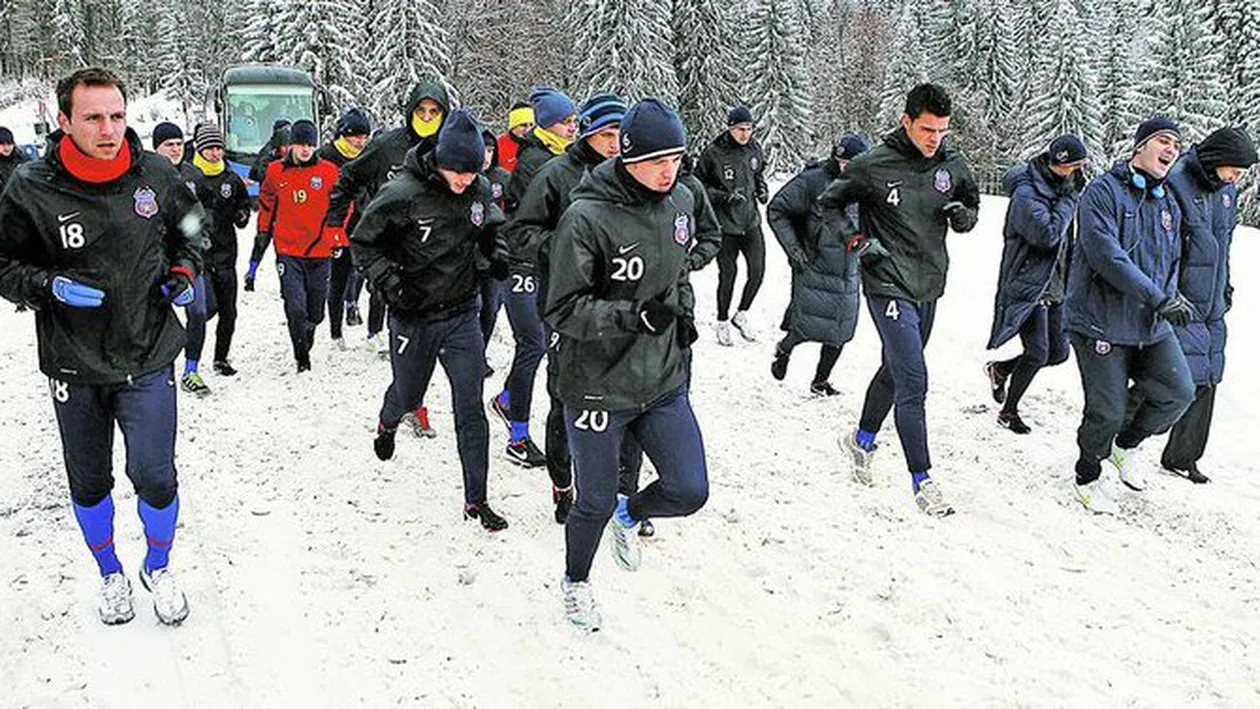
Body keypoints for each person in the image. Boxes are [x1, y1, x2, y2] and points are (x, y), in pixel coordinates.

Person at [0, 67, 204, 625]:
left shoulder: (157, 175)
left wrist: (184, 270)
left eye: (116, 115)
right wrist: (46, 287)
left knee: (157, 476)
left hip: (148, 352)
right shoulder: (30, 187)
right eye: (93, 117)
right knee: (90, 482)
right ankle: (110, 573)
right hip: (75, 362)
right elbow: (4, 264)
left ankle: (157, 566)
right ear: (64, 121)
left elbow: (192, 230)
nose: (109, 128)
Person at [544, 98, 708, 631]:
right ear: (629, 158)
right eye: (657, 160)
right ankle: (576, 582)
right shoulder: (585, 216)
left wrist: (681, 312)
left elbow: (677, 270)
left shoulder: (681, 199)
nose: (669, 171)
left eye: (677, 158)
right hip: (595, 384)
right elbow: (562, 309)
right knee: (590, 499)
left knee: (689, 490)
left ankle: (631, 512)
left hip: (661, 377)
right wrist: (636, 315)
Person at [819, 83, 980, 517]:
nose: (935, 139)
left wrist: (964, 218)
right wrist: (856, 242)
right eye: (927, 129)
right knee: (914, 378)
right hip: (886, 280)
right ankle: (922, 480)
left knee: (895, 368)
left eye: (943, 131)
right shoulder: (873, 165)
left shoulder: (952, 164)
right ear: (906, 121)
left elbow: (971, 204)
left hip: (928, 283)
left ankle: (861, 440)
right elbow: (828, 205)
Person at [351, 110, 511, 532]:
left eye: (471, 171)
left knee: (470, 408)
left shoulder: (478, 191)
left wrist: (497, 253)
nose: (463, 179)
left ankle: (476, 501)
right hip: (413, 317)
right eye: (457, 171)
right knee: (407, 396)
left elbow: (494, 228)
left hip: (462, 315)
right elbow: (363, 243)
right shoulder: (401, 193)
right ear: (439, 160)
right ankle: (388, 423)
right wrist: (389, 283)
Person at [502, 90, 627, 518]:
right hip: (566, 301)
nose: (614, 142)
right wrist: (567, 248)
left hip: (619, 303)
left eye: (620, 134)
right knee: (565, 396)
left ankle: (620, 492)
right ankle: (562, 483)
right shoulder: (556, 173)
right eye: (606, 133)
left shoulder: (634, 175)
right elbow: (521, 233)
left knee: (624, 398)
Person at [1063, 116, 1197, 514]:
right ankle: (1087, 474)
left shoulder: (1167, 201)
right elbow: (1107, 256)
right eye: (1162, 140)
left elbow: (1173, 259)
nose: (1171, 149)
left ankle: (1125, 446)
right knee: (1106, 410)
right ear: (1139, 146)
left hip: (1149, 323)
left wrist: (1171, 297)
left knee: (1178, 392)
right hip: (1099, 321)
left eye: (1176, 143)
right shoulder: (1102, 192)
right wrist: (1158, 297)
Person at [1137, 126, 1257, 484]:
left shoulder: (1226, 191)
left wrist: (1226, 284)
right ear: (1217, 160)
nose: (1237, 178)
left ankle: (1182, 456)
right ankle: (1114, 431)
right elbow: (1160, 245)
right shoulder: (1176, 182)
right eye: (1235, 169)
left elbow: (1224, 244)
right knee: (1170, 375)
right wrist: (1166, 293)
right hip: (1181, 298)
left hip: (1212, 299)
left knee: (1210, 375)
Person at [327, 80, 450, 368]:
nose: (427, 118)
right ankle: (399, 364)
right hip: (391, 240)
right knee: (397, 301)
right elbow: (347, 178)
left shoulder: (450, 147)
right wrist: (335, 221)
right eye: (421, 111)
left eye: (434, 112)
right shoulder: (387, 146)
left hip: (435, 242)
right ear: (410, 112)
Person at [490, 86, 578, 467]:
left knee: (541, 341)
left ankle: (507, 398)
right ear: (546, 126)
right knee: (533, 346)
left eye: (574, 121)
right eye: (565, 122)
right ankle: (518, 438)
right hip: (520, 266)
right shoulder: (535, 164)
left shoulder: (561, 158)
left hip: (546, 267)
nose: (572, 128)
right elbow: (533, 221)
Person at [984, 134, 1088, 433]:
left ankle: (1001, 369)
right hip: (1028, 281)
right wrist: (1069, 199)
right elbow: (1048, 234)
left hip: (1055, 282)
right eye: (1074, 167)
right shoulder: (1027, 193)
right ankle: (1009, 411)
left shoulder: (1060, 186)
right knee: (1038, 351)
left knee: (1058, 352)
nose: (1078, 174)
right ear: (1059, 164)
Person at [768, 133, 870, 396]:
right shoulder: (814, 181)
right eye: (843, 162)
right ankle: (784, 348)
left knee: (841, 329)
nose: (847, 167)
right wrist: (794, 250)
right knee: (805, 325)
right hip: (813, 265)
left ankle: (820, 381)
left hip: (849, 269)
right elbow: (777, 210)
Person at [249, 119, 344, 371]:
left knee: (316, 312)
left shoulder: (329, 171)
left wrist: (336, 233)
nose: (305, 150)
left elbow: (344, 203)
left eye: (310, 145)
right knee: (295, 306)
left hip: (320, 250)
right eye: (301, 144)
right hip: (288, 250)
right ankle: (301, 357)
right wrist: (263, 231)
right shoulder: (275, 171)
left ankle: (309, 329)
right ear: (291, 145)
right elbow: (267, 199)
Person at [183, 125, 251, 391]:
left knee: (229, 312)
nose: (214, 153)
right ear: (200, 149)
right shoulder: (191, 177)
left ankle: (221, 358)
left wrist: (242, 215)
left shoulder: (231, 179)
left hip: (225, 254)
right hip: (199, 255)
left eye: (218, 148)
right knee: (205, 308)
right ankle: (191, 346)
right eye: (209, 148)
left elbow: (243, 205)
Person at [697, 103, 769, 346]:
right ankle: (722, 321)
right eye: (740, 129)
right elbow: (698, 186)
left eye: (749, 129)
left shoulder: (754, 150)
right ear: (729, 128)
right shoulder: (713, 153)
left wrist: (761, 189)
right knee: (729, 274)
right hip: (725, 226)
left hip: (750, 222)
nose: (745, 134)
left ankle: (742, 314)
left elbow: (758, 175)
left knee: (758, 271)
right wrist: (723, 196)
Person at [319, 108, 372, 350]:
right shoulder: (327, 155)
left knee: (366, 275)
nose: (361, 142)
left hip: (363, 223)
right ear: (344, 134)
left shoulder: (370, 155)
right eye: (357, 137)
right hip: (337, 224)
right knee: (338, 278)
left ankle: (373, 329)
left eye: (365, 137)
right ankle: (335, 332)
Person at [478, 127, 511, 360]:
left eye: (490, 150)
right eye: (482, 149)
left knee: (490, 308)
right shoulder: (460, 176)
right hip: (466, 255)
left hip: (494, 253)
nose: (486, 155)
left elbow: (519, 210)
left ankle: (480, 355)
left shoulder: (503, 178)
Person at [249, 119, 292, 183]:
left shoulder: (296, 155)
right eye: (284, 146)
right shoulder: (267, 154)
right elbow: (257, 173)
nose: (287, 149)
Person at [497, 101, 534, 174]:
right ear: (513, 126)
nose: (528, 129)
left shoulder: (538, 145)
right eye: (523, 125)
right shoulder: (499, 145)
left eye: (531, 125)